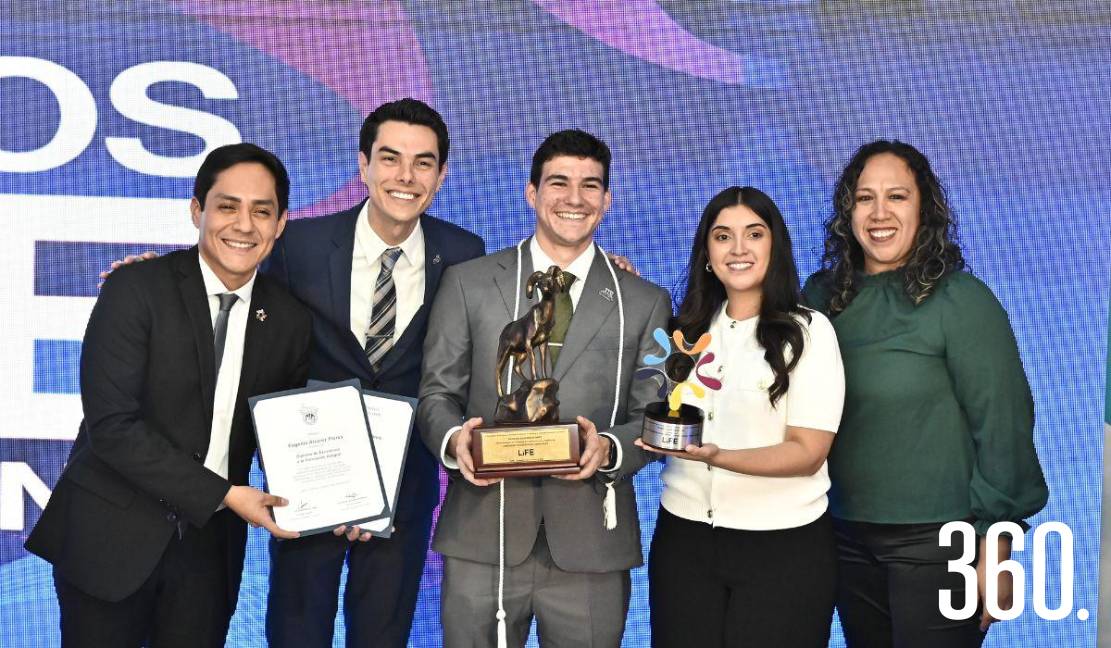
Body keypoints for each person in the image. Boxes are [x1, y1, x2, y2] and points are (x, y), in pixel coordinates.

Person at [25, 143, 312, 647]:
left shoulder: (288, 320)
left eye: (261, 211)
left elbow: (286, 433)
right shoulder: (135, 289)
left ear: (281, 224)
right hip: (109, 540)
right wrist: (223, 494)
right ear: (197, 210)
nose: (244, 225)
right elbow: (113, 428)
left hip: (210, 553)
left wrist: (344, 504)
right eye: (227, 206)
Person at [418, 129, 671, 647]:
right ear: (531, 193)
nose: (574, 199)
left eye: (589, 186)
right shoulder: (469, 283)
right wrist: (454, 441)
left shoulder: (642, 301)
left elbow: (655, 412)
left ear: (607, 200)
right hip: (482, 535)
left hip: (590, 545)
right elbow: (436, 394)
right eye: (558, 182)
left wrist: (611, 447)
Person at [802, 140, 1048, 647]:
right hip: (843, 537)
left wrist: (996, 549)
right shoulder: (820, 298)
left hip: (939, 545)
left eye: (897, 197)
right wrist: (623, 278)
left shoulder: (961, 301)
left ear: (924, 209)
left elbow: (1003, 425)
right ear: (847, 211)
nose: (879, 212)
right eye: (865, 198)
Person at [263, 98, 485, 648]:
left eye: (423, 162)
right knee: (295, 634)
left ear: (442, 174)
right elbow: (243, 299)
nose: (405, 176)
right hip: (308, 490)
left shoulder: (465, 254)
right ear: (363, 165)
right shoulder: (300, 246)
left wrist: (607, 272)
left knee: (383, 636)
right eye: (389, 158)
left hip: (403, 495)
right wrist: (160, 269)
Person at [635, 186, 845, 647]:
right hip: (684, 541)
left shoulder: (808, 332)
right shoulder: (682, 332)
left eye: (754, 234)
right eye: (723, 236)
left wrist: (716, 455)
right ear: (707, 253)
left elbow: (808, 453)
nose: (739, 249)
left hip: (782, 548)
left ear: (775, 246)